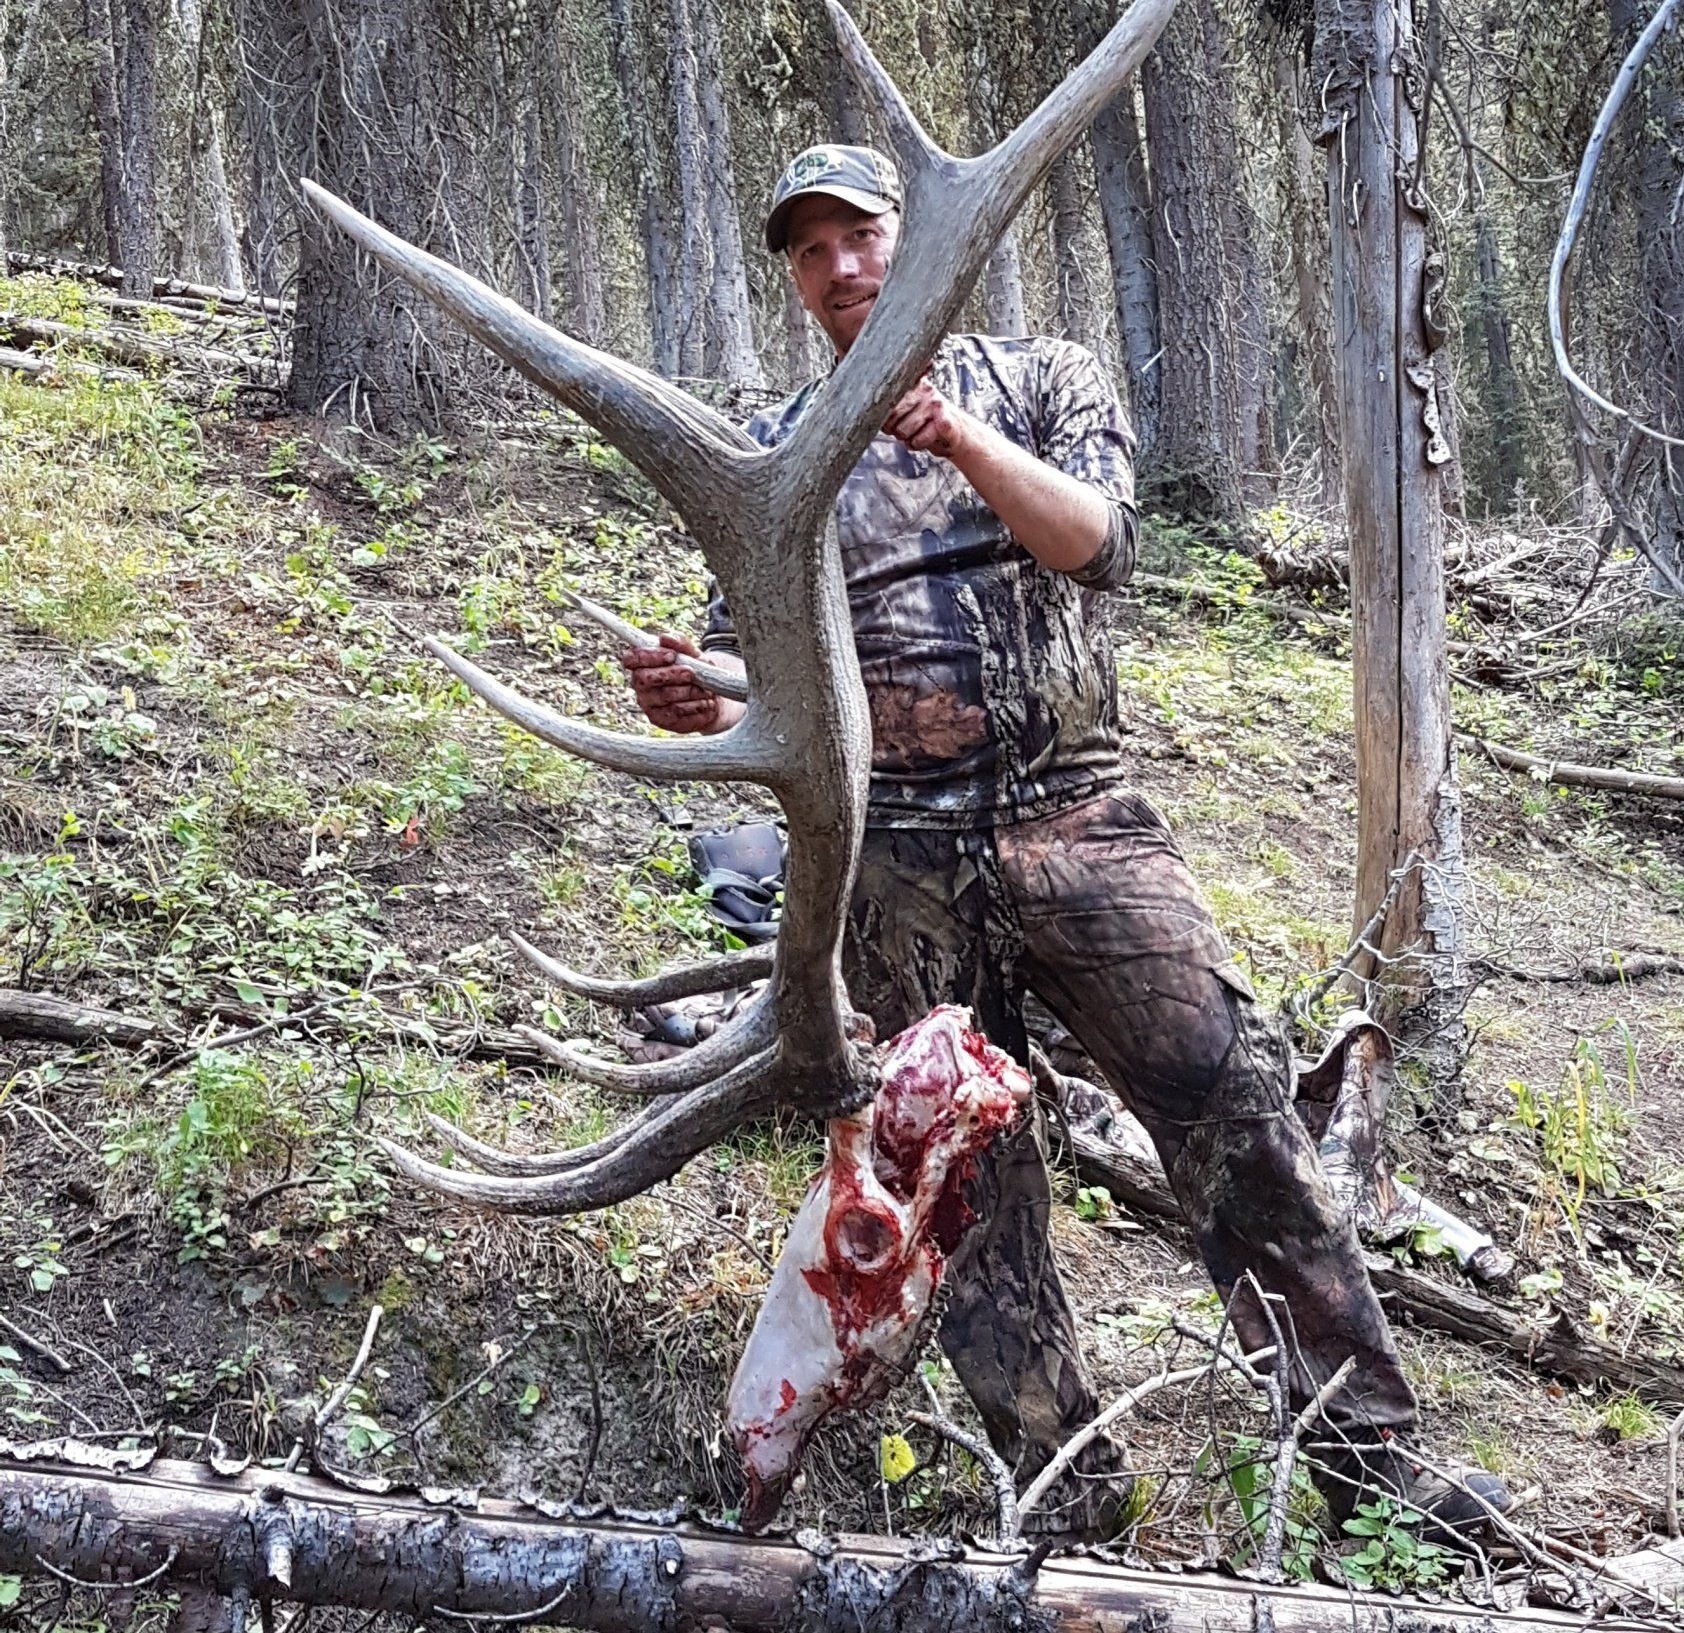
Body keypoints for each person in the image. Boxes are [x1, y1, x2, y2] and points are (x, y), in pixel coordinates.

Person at [623, 143, 1508, 1541]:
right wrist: (696, 689)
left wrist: (955, 436)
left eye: (859, 236)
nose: (841, 268)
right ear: (792, 278)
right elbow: (762, 665)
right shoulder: (780, 455)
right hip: (898, 868)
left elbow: (1098, 546)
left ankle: (1374, 1469)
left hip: (1078, 819)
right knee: (964, 1197)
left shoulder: (1044, 381)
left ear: (916, 245)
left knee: (1234, 1115)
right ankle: (1064, 1499)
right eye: (810, 250)